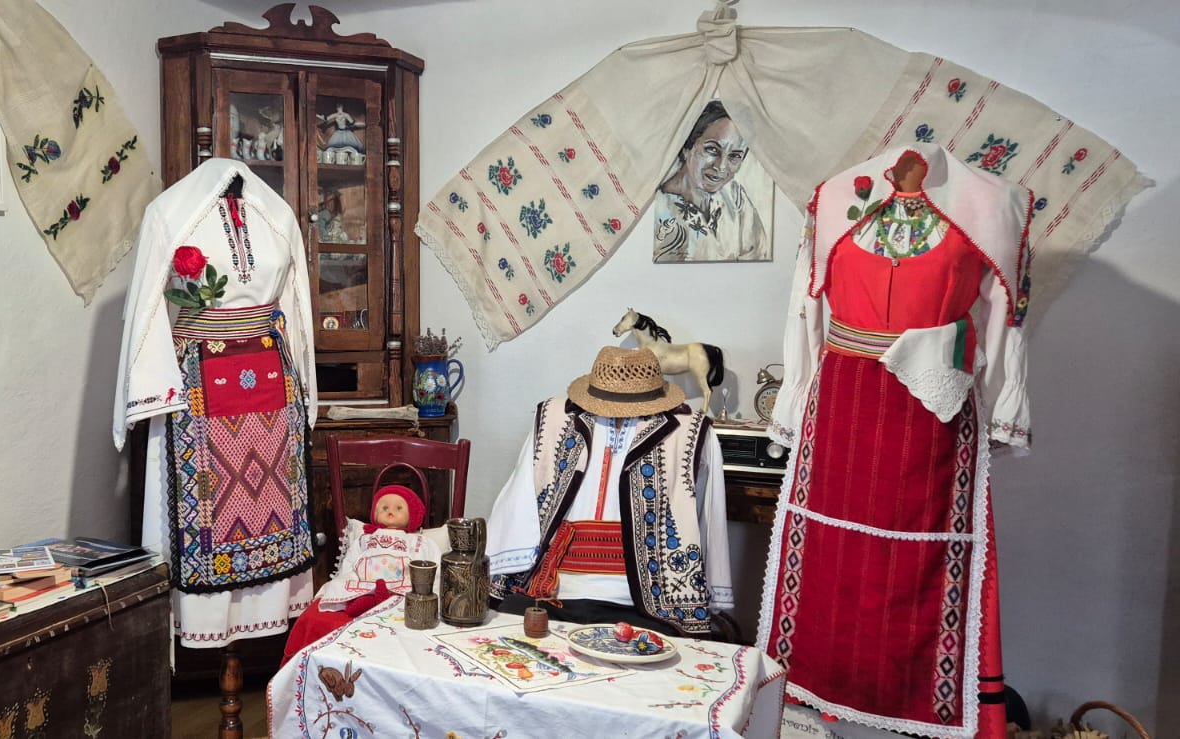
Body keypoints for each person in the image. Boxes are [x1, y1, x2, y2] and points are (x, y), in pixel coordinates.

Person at [759, 144, 1032, 737]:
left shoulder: (995, 205)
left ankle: (915, 705)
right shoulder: (835, 199)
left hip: (931, 415)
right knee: (831, 558)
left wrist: (1005, 404)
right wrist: (795, 395)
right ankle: (819, 699)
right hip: (842, 405)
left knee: (922, 563)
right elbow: (805, 306)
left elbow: (1007, 318)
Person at [114, 157, 318, 649]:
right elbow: (146, 306)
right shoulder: (169, 213)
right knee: (199, 516)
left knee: (273, 504)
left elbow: (296, 306)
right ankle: (207, 633)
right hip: (196, 393)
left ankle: (267, 623)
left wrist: (305, 384)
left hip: (273, 393)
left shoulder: (277, 215)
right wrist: (148, 390)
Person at [486, 345, 734, 638]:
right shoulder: (553, 418)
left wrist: (712, 594)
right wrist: (498, 576)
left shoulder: (690, 430)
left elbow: (710, 518)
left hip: (647, 605)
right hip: (556, 593)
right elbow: (520, 497)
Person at [281, 485, 439, 664]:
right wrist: (347, 578)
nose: (390, 512)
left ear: (413, 515)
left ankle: (384, 600)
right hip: (366, 582)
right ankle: (367, 601)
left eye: (398, 508)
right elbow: (350, 561)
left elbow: (427, 562)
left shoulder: (416, 540)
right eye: (384, 508)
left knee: (406, 594)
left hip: (398, 583)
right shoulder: (365, 537)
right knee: (345, 586)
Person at [651, 101, 768, 263]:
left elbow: (757, 252)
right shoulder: (661, 208)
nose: (721, 167)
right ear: (687, 147)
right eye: (712, 149)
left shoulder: (734, 196)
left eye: (734, 156)